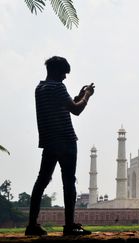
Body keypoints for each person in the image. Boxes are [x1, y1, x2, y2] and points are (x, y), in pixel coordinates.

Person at [25, 56, 94, 236]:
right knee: (68, 182)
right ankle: (69, 226)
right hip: (65, 140)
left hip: (49, 142)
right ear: (56, 71)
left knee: (41, 181)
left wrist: (78, 96)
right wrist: (87, 96)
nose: (65, 77)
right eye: (64, 73)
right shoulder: (58, 87)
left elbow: (62, 107)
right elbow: (76, 110)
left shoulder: (40, 89)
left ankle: (31, 225)